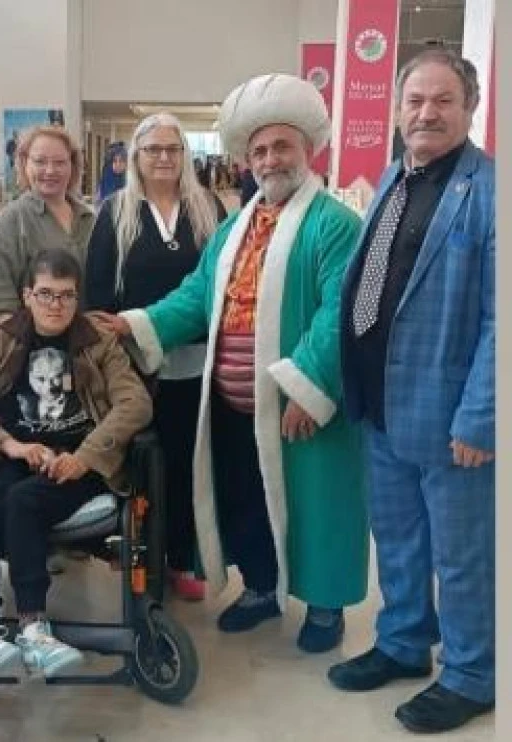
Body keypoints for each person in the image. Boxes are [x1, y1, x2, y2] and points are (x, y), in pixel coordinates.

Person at [96, 74, 367, 650]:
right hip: (231, 403)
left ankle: (325, 608)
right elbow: (197, 295)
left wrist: (308, 386)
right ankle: (261, 589)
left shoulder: (335, 224)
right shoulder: (234, 227)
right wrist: (135, 323)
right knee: (246, 497)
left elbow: (338, 314)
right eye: (259, 150)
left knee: (317, 502)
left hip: (297, 403)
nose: (270, 160)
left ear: (307, 150)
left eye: (281, 147)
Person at [329, 49, 495, 734]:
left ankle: (472, 674)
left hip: (451, 417)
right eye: (415, 101)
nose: (427, 113)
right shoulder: (395, 177)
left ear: (470, 108)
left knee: (462, 556)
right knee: (396, 539)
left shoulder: (490, 192)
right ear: (398, 109)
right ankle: (402, 641)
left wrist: (482, 419)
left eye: (443, 101)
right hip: (380, 404)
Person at [0, 247, 152, 679]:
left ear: (77, 297)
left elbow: (136, 403)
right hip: (17, 452)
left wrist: (86, 457)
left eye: (66, 295)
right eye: (46, 294)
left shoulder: (97, 340)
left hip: (76, 459)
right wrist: (9, 444)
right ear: (27, 296)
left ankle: (33, 626)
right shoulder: (2, 337)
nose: (56, 305)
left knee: (23, 501)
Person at [85, 113, 226, 601]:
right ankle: (141, 554)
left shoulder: (208, 208)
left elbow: (222, 284)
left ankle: (184, 557)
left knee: (189, 461)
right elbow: (97, 294)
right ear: (135, 157)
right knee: (141, 462)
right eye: (153, 149)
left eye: (173, 149)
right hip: (133, 365)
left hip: (195, 361)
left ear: (185, 155)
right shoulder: (115, 212)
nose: (164, 158)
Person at [0, 125, 95, 316]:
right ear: (25, 164)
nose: (50, 170)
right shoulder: (13, 219)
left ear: (72, 166)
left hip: (88, 330)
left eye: (60, 162)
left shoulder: (90, 219)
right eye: (40, 161)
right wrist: (18, 327)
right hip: (32, 332)